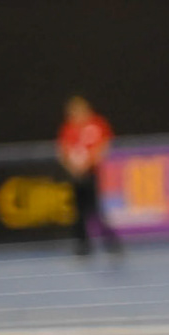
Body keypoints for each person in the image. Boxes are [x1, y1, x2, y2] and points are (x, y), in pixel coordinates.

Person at [56, 96, 120, 257]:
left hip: (91, 173)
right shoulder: (68, 128)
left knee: (96, 209)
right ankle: (82, 245)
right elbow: (62, 150)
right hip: (75, 175)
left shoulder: (97, 124)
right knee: (78, 211)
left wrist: (88, 164)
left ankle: (111, 242)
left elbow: (104, 145)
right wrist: (72, 168)